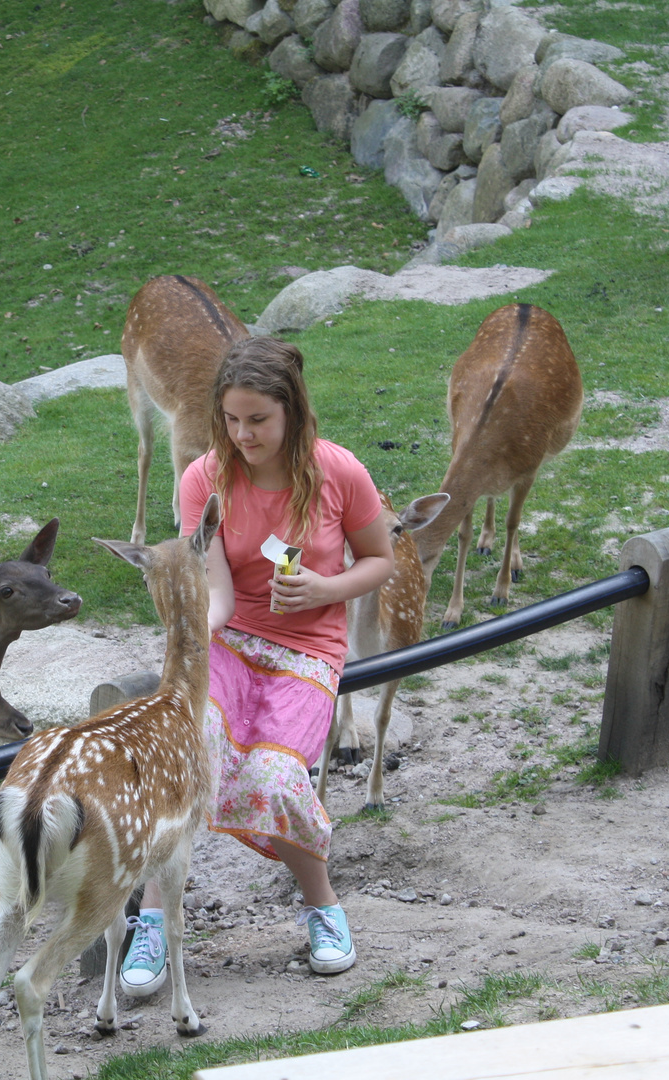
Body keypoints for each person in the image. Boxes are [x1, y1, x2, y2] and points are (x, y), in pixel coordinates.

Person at [120, 335, 394, 996]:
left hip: (308, 651)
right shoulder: (203, 478)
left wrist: (324, 591)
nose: (243, 434)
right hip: (231, 642)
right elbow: (215, 593)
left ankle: (323, 905)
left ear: (293, 412)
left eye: (258, 420)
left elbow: (380, 559)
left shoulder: (341, 473)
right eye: (232, 420)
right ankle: (154, 918)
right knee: (191, 753)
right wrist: (194, 632)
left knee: (274, 777)